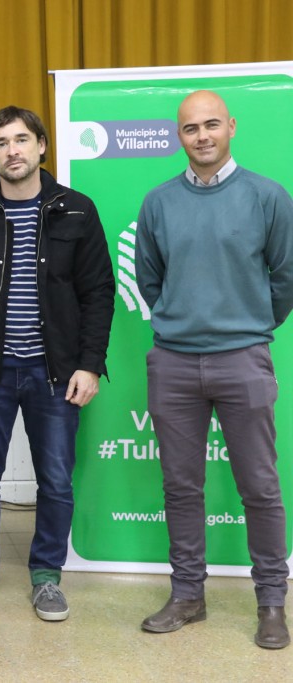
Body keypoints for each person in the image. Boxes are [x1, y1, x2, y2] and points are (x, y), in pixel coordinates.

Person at [0, 106, 115, 622]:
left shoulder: (77, 210)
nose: (12, 151)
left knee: (55, 480)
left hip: (56, 372)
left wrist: (90, 365)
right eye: (1, 143)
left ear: (41, 146)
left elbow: (99, 292)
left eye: (21, 140)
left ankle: (47, 578)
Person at [135, 90, 293, 649]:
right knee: (181, 487)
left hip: (243, 358)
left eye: (211, 125)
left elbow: (285, 276)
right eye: (190, 128)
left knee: (260, 486)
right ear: (178, 135)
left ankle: (272, 602)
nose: (201, 136)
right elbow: (149, 279)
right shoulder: (158, 203)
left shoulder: (267, 196)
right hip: (173, 361)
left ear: (231, 127)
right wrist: (184, 322)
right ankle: (187, 596)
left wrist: (247, 325)